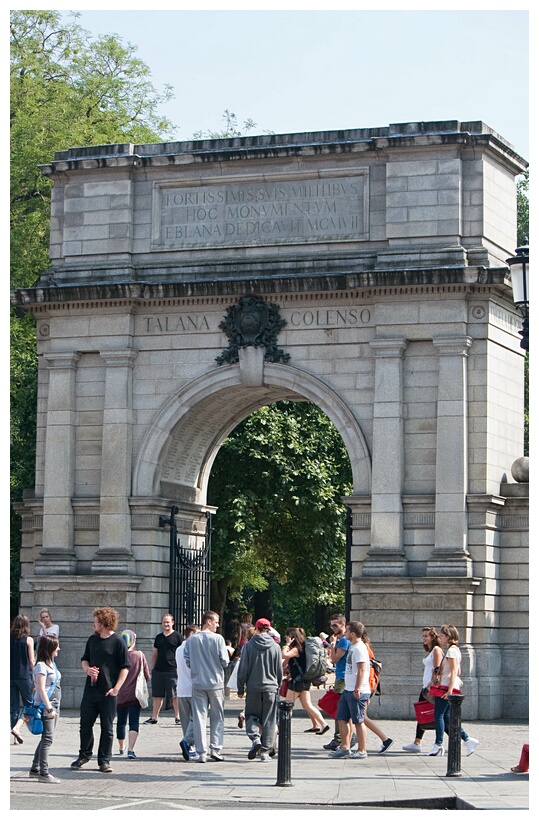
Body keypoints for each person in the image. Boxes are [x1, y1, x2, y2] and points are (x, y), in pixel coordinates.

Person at [71, 607, 130, 773]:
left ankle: (104, 760)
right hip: (91, 690)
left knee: (107, 727)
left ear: (104, 623)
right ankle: (84, 754)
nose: (93, 624)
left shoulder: (118, 641)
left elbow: (125, 667)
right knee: (85, 725)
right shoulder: (92, 640)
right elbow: (84, 660)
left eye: (96, 621)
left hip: (108, 691)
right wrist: (87, 669)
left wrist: (116, 688)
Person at [183, 610, 229, 763]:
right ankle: (215, 749)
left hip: (198, 682)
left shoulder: (191, 640)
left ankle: (201, 752)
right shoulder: (218, 639)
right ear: (208, 622)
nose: (218, 625)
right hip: (215, 682)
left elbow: (187, 660)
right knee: (217, 716)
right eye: (216, 622)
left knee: (199, 717)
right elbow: (225, 661)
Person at [427, 624, 479, 758]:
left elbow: (455, 671)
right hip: (449, 686)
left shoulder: (451, 651)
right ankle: (467, 740)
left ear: (449, 637)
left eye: (442, 635)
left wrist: (449, 690)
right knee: (447, 717)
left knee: (438, 715)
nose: (440, 637)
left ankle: (438, 745)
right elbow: (458, 670)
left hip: (446, 687)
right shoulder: (455, 650)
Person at [237, 617, 282, 762]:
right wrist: (278, 685)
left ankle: (255, 738)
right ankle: (265, 752)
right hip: (270, 687)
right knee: (269, 719)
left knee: (251, 715)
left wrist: (240, 687)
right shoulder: (275, 647)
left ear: (256, 629)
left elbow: (243, 669)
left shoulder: (248, 646)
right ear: (268, 630)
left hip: (253, 687)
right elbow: (279, 670)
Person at [328, 620, 370, 759]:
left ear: (352, 633)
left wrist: (357, 689)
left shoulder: (359, 648)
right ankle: (345, 747)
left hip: (357, 690)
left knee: (358, 721)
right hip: (348, 689)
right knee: (341, 717)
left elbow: (362, 670)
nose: (344, 633)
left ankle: (362, 750)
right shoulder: (353, 647)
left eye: (346, 631)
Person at [402, 626, 443, 753]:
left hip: (430, 688)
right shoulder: (430, 651)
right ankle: (417, 742)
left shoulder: (436, 650)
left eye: (426, 636)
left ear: (433, 637)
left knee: (431, 715)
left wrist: (432, 685)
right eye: (423, 636)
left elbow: (437, 669)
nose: (424, 638)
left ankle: (419, 742)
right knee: (424, 714)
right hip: (425, 686)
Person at [281, 627, 330, 734]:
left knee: (287, 705)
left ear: (292, 637)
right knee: (307, 705)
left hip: (297, 682)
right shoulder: (303, 648)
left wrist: (288, 645)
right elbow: (285, 662)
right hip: (305, 680)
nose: (286, 638)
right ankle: (323, 724)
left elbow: (283, 655)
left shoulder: (296, 649)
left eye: (288, 636)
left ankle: (283, 727)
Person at [29, 636, 61, 783]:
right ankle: (44, 773)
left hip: (54, 704)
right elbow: (41, 689)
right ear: (49, 649)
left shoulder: (51, 664)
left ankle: (35, 768)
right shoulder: (41, 666)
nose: (59, 649)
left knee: (45, 738)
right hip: (46, 706)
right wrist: (48, 708)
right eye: (56, 647)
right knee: (48, 739)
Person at [115, 629, 150, 759]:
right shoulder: (139, 655)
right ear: (134, 641)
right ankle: (131, 749)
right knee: (134, 722)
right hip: (135, 694)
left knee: (121, 722)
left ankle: (120, 747)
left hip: (119, 693)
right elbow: (147, 675)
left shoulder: (117, 655)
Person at [143, 613, 183, 725]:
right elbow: (155, 653)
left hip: (172, 669)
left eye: (168, 622)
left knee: (175, 695)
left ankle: (178, 717)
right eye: (164, 622)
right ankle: (154, 717)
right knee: (157, 695)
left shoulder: (178, 636)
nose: (166, 624)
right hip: (159, 670)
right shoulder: (159, 637)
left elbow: (182, 653)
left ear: (172, 623)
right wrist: (153, 668)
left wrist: (179, 668)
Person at [362, 629, 393, 754]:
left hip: (365, 687)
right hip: (368, 686)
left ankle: (385, 739)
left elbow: (364, 670)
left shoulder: (362, 647)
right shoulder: (365, 647)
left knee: (361, 717)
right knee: (358, 717)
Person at [322, 614, 350, 751]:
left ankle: (340, 738)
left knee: (339, 709)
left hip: (342, 677)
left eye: (335, 625)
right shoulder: (343, 639)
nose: (333, 628)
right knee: (340, 709)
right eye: (331, 625)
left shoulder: (343, 641)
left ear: (343, 624)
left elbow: (334, 659)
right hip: (342, 677)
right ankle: (343, 736)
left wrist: (332, 644)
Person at [176, 624, 200, 761]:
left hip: (181, 687)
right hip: (194, 687)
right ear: (191, 634)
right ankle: (190, 743)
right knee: (196, 718)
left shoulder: (178, 649)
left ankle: (188, 746)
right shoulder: (193, 649)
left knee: (186, 720)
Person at [10, 614, 35, 744]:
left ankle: (15, 737)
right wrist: (35, 676)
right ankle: (17, 727)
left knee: (13, 707)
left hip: (10, 676)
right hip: (24, 676)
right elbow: (31, 660)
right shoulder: (28, 640)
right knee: (29, 705)